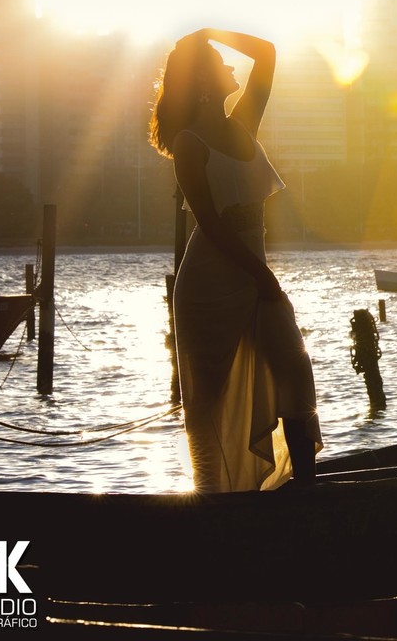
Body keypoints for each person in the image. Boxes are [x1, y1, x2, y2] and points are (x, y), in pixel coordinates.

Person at [150, 28, 321, 492]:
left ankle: (306, 489)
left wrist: (211, 33)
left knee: (293, 368)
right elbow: (208, 221)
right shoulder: (189, 142)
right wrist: (260, 273)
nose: (231, 67)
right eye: (220, 63)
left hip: (253, 275)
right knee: (208, 401)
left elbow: (265, 53)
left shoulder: (244, 120)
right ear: (205, 81)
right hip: (209, 286)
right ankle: (214, 498)